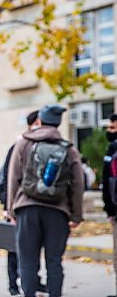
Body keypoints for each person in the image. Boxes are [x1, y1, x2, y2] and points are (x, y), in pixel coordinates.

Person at [7, 104, 84, 297]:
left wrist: (11, 210)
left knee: (28, 261)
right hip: (58, 212)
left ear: (39, 121)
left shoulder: (24, 143)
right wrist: (76, 215)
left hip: (27, 209)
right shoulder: (69, 149)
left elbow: (13, 177)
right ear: (58, 123)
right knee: (54, 261)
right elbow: (78, 184)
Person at [0, 110, 46, 296]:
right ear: (33, 124)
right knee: (14, 247)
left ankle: (35, 281)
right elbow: (7, 179)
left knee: (33, 246)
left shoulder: (40, 147)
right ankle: (13, 284)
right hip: (16, 207)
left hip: (34, 208)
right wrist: (8, 207)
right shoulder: (18, 146)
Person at [102, 113, 117, 297]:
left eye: (113, 127)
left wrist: (109, 209)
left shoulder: (112, 149)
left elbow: (108, 182)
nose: (109, 131)